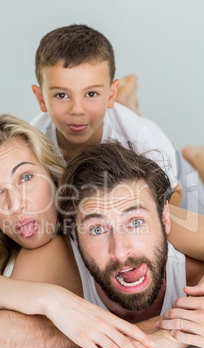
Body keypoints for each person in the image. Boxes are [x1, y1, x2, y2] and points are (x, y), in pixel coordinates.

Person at [0, 114, 157, 348]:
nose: (15, 204)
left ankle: (130, 105)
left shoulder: (113, 202)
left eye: (26, 177)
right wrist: (48, 299)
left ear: (53, 175)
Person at [57, 141, 204, 348]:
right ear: (75, 236)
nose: (121, 251)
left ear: (165, 219)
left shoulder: (193, 277)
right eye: (97, 230)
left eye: (136, 223)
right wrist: (169, 327)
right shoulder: (61, 267)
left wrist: (171, 336)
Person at [30, 24, 204, 214]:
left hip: (173, 171)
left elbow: (174, 201)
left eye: (91, 93)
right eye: (62, 95)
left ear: (109, 94)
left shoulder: (143, 138)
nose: (77, 110)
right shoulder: (32, 143)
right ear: (41, 99)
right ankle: (123, 101)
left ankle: (197, 158)